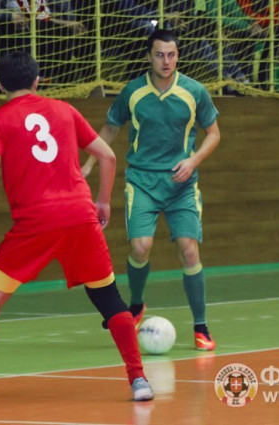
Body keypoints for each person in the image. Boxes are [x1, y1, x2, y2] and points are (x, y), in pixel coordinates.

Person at [0, 51, 154, 403]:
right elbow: (108, 156)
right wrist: (102, 201)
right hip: (79, 215)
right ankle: (139, 380)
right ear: (37, 81)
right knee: (109, 298)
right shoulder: (64, 110)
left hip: (34, 223)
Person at [82, 28, 221, 351]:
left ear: (178, 56)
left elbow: (214, 133)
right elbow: (111, 128)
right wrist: (88, 164)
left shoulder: (194, 91)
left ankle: (201, 325)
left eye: (171, 55)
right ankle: (137, 303)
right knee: (140, 248)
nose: (166, 61)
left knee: (189, 250)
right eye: (159, 55)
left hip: (181, 185)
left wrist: (194, 161)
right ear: (149, 57)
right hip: (142, 182)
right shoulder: (133, 92)